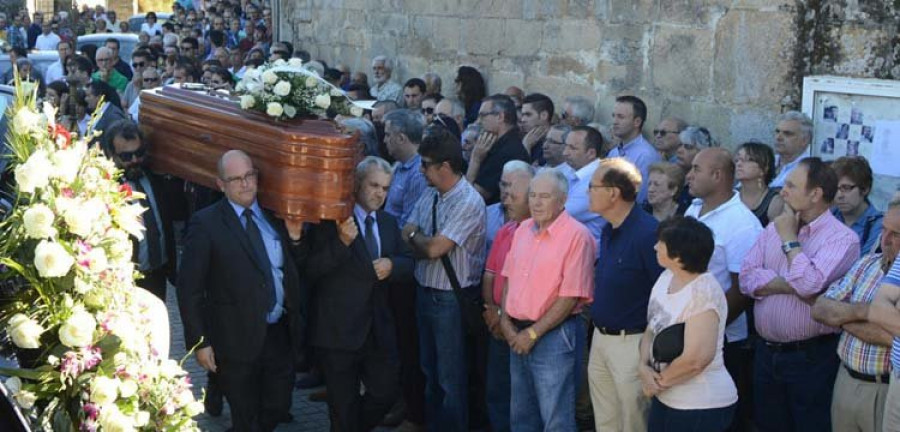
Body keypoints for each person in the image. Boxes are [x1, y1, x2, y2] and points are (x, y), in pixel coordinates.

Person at [177, 150, 310, 432]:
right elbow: (189, 289)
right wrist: (200, 342)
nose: (245, 184)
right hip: (233, 338)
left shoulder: (276, 215)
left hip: (278, 332)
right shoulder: (206, 223)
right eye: (235, 179)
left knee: (278, 405)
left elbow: (295, 269)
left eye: (249, 175)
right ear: (221, 184)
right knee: (245, 414)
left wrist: (296, 240)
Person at [740, 157, 860, 432]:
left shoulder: (841, 239)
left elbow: (808, 284)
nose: (783, 192)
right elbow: (746, 279)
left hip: (810, 358)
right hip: (766, 353)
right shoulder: (773, 228)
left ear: (815, 194)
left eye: (791, 186)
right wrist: (786, 283)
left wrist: (789, 240)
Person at [305, 156, 412, 432]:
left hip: (378, 330)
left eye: (385, 188)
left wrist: (393, 265)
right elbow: (310, 270)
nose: (380, 193)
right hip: (338, 332)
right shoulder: (331, 220)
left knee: (385, 392)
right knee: (342, 408)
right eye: (374, 185)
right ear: (356, 184)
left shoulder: (388, 222)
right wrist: (341, 243)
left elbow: (409, 262)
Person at [401, 128, 486, 431]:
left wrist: (418, 240)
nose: (421, 169)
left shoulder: (468, 201)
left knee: (451, 379)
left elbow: (436, 248)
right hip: (424, 291)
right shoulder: (430, 192)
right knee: (429, 372)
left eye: (425, 164)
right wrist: (420, 240)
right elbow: (406, 229)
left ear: (445, 167)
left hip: (450, 299)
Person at [499, 169, 596, 430]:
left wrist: (531, 334)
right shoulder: (521, 230)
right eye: (532, 195)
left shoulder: (577, 236)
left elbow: (570, 296)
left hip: (553, 335)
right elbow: (508, 278)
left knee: (556, 419)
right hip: (516, 331)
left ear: (562, 200)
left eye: (544, 196)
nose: (536, 202)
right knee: (521, 415)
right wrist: (506, 323)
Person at [684, 148, 763, 431]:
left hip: (721, 339)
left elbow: (743, 289)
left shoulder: (742, 223)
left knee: (716, 418)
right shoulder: (693, 208)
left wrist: (707, 328)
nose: (689, 175)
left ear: (717, 176)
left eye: (696, 169)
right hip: (683, 328)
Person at [639, 216, 738, 431]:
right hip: (666, 396)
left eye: (661, 244)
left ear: (678, 256)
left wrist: (655, 383)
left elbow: (696, 359)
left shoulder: (704, 292)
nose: (655, 247)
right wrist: (643, 367)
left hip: (700, 403)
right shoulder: (666, 276)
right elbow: (652, 328)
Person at [588, 157, 664, 431]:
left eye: (592, 186)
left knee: (633, 423)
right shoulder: (608, 229)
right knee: (605, 422)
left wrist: (647, 350)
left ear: (613, 193)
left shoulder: (648, 233)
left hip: (633, 344)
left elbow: (664, 294)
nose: (587, 192)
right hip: (600, 338)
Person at [812, 200, 900, 432]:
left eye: (897, 234)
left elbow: (890, 336)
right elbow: (820, 308)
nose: (886, 240)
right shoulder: (866, 264)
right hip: (845, 380)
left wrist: (842, 318)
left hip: (884, 388)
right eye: (884, 230)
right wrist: (865, 312)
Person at [100, 120, 185, 300]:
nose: (134, 161)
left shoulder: (156, 178)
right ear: (111, 155)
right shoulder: (105, 189)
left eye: (138, 153)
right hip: (125, 280)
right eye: (126, 156)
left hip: (157, 274)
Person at [481, 160, 534, 432]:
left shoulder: (539, 234)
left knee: (522, 398)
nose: (505, 194)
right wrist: (492, 310)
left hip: (522, 327)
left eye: (512, 189)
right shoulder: (505, 230)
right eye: (503, 186)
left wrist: (505, 318)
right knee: (497, 390)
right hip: (498, 323)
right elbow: (490, 274)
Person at [466, 94, 529, 205]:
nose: (479, 121)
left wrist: (475, 160)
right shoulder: (499, 145)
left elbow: (475, 195)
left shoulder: (507, 151)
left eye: (483, 115)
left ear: (500, 117)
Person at [607, 95, 661, 203]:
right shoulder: (614, 152)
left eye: (621, 117)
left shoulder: (646, 156)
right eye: (614, 116)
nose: (614, 121)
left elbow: (641, 199)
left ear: (637, 122)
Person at [562, 125, 607, 246]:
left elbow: (554, 215)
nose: (565, 152)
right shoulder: (570, 168)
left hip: (585, 257)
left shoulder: (598, 181)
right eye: (565, 146)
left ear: (591, 153)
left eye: (572, 148)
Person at [831, 156, 884, 255]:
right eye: (835, 188)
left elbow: (862, 264)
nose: (838, 195)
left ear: (865, 189)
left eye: (846, 188)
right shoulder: (830, 215)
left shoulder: (877, 225)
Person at [735, 141, 784, 227]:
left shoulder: (775, 202)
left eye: (749, 160)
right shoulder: (730, 196)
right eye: (738, 159)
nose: (739, 164)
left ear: (764, 168)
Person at [770, 111, 813, 188]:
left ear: (805, 140)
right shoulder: (766, 162)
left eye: (787, 133)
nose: (778, 137)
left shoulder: (809, 171)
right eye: (777, 132)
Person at [519, 93, 554, 165]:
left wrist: (525, 148)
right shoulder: (528, 139)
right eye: (522, 115)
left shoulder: (556, 144)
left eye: (528, 115)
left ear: (544, 115)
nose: (523, 120)